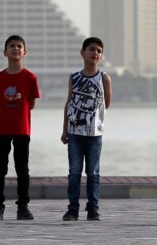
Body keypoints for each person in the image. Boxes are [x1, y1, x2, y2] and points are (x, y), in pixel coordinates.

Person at [0, 35, 40, 221]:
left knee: (22, 169)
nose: (15, 49)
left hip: (21, 129)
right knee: (0, 169)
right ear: (5, 52)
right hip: (1, 128)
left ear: (24, 52)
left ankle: (23, 207)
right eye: (11, 46)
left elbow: (31, 103)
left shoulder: (30, 78)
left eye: (19, 46)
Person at [60, 37, 112, 221]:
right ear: (82, 52)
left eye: (98, 50)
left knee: (93, 173)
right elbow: (69, 103)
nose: (94, 53)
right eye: (91, 49)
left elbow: (107, 103)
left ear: (101, 55)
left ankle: (93, 208)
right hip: (75, 134)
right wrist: (65, 129)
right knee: (74, 172)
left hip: (95, 134)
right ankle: (72, 209)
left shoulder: (104, 77)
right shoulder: (74, 77)